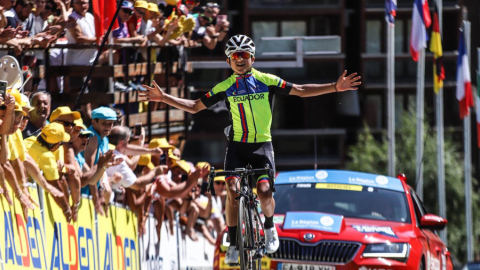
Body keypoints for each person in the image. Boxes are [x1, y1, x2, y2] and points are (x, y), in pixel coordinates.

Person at [141, 34, 361, 263]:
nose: (239, 59)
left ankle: (268, 227)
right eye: (234, 55)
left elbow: (301, 90)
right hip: (237, 147)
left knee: (265, 192)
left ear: (252, 58)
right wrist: (164, 97)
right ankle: (234, 242)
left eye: (244, 55)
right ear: (228, 61)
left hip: (262, 147)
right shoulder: (225, 87)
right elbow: (196, 107)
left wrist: (335, 87)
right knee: (233, 190)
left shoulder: (267, 80)